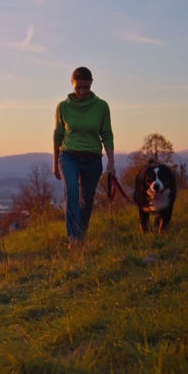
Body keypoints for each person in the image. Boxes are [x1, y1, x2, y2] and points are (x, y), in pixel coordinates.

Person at [52, 66, 115, 244]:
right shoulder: (63, 107)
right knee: (71, 193)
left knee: (86, 200)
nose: (82, 91)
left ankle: (82, 230)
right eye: (78, 87)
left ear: (91, 84)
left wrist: (111, 160)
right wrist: (55, 163)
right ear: (72, 85)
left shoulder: (102, 106)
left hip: (93, 158)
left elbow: (107, 134)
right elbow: (57, 135)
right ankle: (74, 238)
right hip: (69, 156)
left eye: (86, 87)